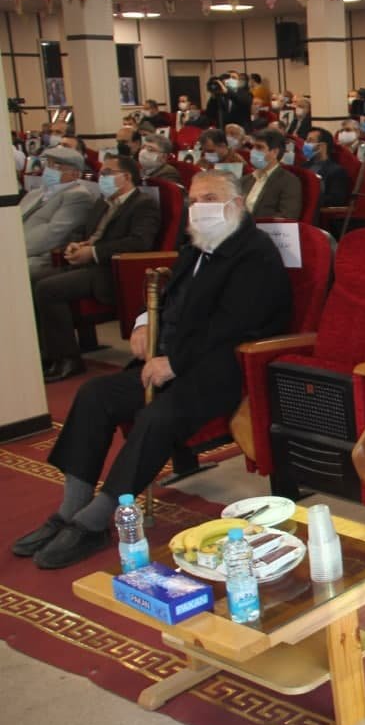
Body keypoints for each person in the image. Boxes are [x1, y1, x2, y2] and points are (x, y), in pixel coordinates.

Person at [14, 169, 292, 569]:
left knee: (157, 417)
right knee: (94, 395)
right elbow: (171, 297)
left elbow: (230, 326)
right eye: (194, 200)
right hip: (169, 361)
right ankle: (70, 509)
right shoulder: (198, 245)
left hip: (220, 370)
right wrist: (144, 323)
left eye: (209, 199)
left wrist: (174, 363)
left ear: (235, 205)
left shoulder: (254, 255)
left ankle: (96, 520)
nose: (199, 208)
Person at [34, 156, 162, 382]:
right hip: (88, 264)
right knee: (34, 279)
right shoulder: (103, 203)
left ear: (126, 177)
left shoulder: (143, 204)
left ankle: (68, 359)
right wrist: (77, 245)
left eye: (108, 173)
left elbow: (139, 242)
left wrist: (93, 252)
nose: (102, 177)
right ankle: (48, 354)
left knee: (48, 289)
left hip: (110, 269)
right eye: (101, 173)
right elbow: (87, 233)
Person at [23, 146, 96, 277]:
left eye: (56, 166)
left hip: (43, 256)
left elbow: (52, 235)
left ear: (75, 174)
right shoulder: (36, 192)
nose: (49, 170)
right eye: (48, 164)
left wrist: (13, 250)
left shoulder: (78, 196)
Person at [242, 130, 302, 220]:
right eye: (253, 147)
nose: (253, 151)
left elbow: (287, 217)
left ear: (275, 152)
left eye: (259, 147)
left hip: (266, 227)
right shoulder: (244, 180)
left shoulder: (289, 182)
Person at [303, 127, 351, 208]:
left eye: (310, 141)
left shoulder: (337, 171)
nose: (305, 144)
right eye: (306, 140)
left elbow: (337, 200)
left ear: (323, 146)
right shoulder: (303, 167)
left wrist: (309, 200)